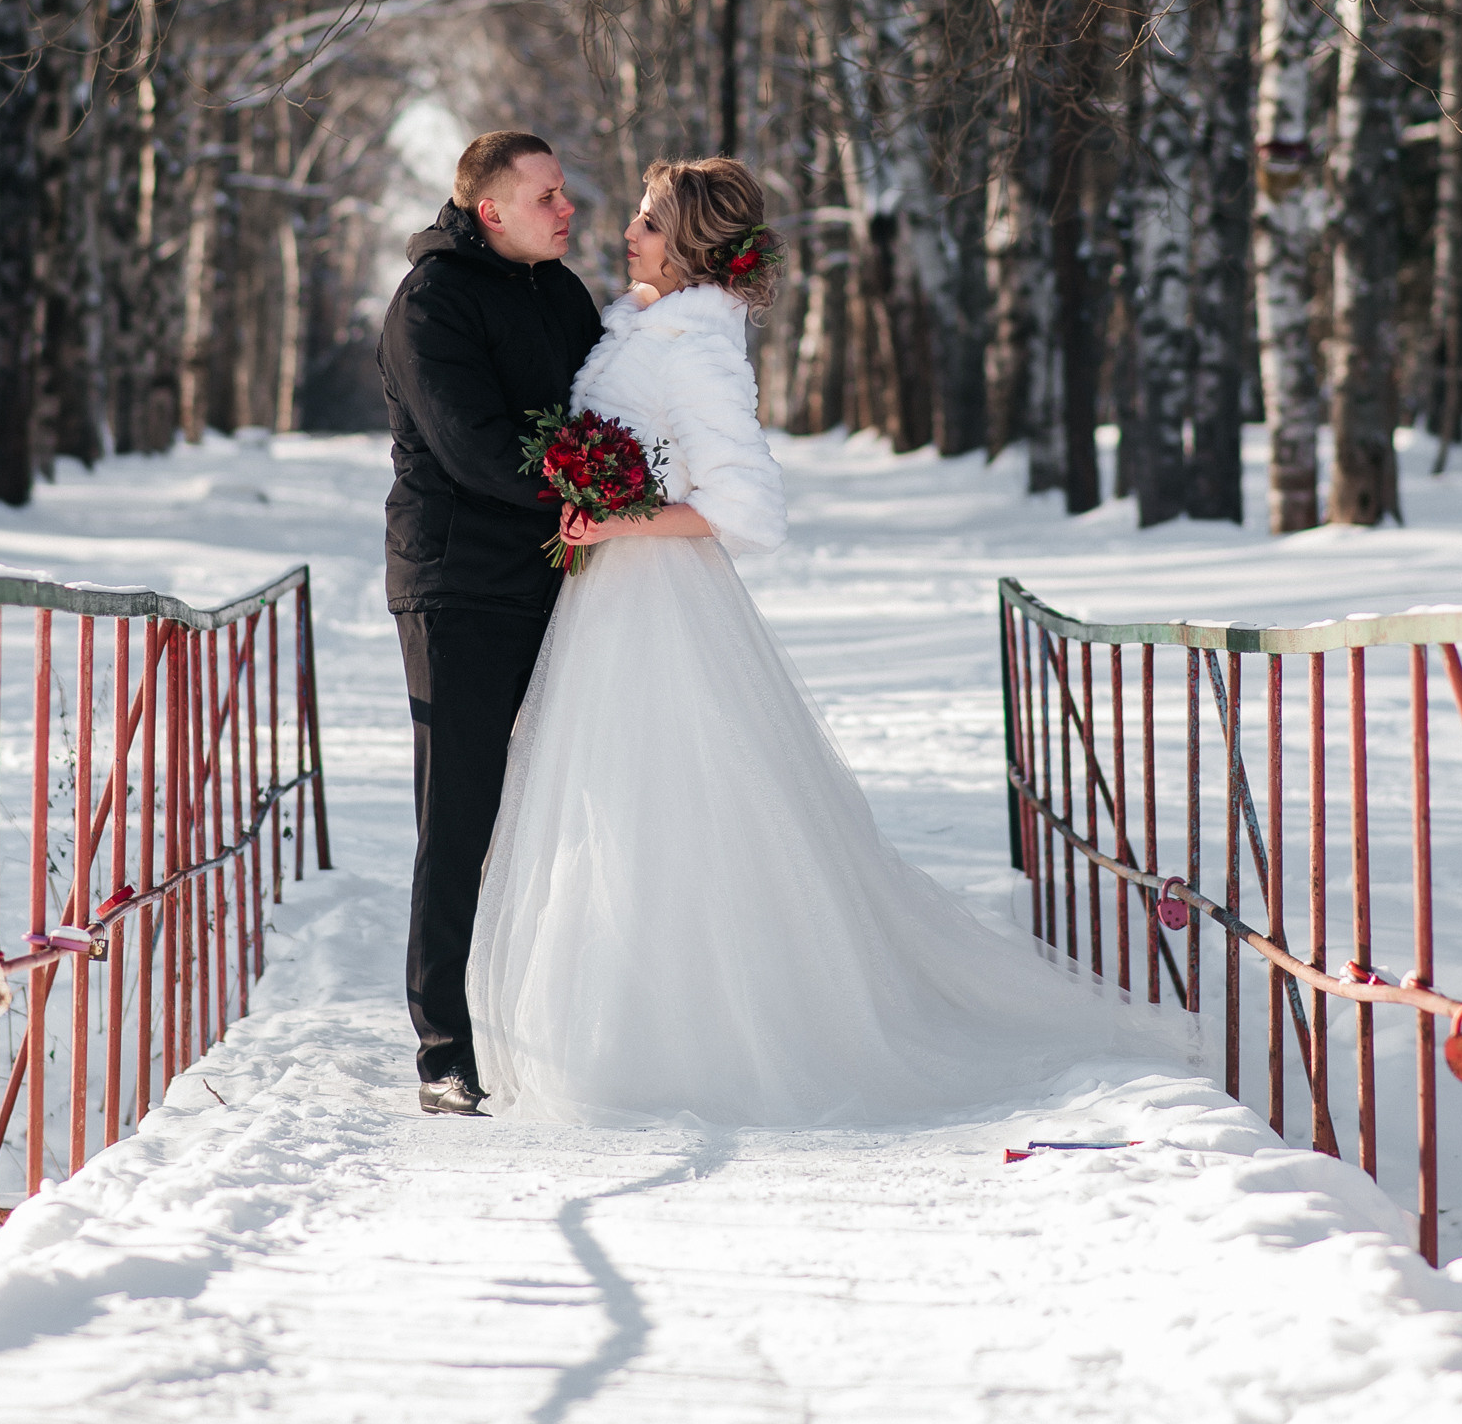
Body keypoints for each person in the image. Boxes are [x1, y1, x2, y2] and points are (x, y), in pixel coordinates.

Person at [469, 154, 1120, 1125]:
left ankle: (688, 1044)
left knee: (668, 817)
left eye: (647, 222)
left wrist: (616, 522)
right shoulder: (644, 328)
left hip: (661, 607)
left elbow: (747, 509)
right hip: (606, 602)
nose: (627, 232)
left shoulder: (695, 348)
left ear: (688, 247)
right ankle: (615, 1035)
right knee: (608, 817)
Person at [378, 129, 603, 1114]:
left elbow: (603, 406)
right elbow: (471, 447)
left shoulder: (559, 291)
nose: (566, 211)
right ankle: (443, 1046)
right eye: (546, 196)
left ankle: (558, 1023)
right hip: (457, 587)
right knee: (460, 814)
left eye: (564, 196)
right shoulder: (430, 302)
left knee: (571, 807)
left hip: (568, 576)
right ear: (489, 210)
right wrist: (591, 486)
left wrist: (616, 484)